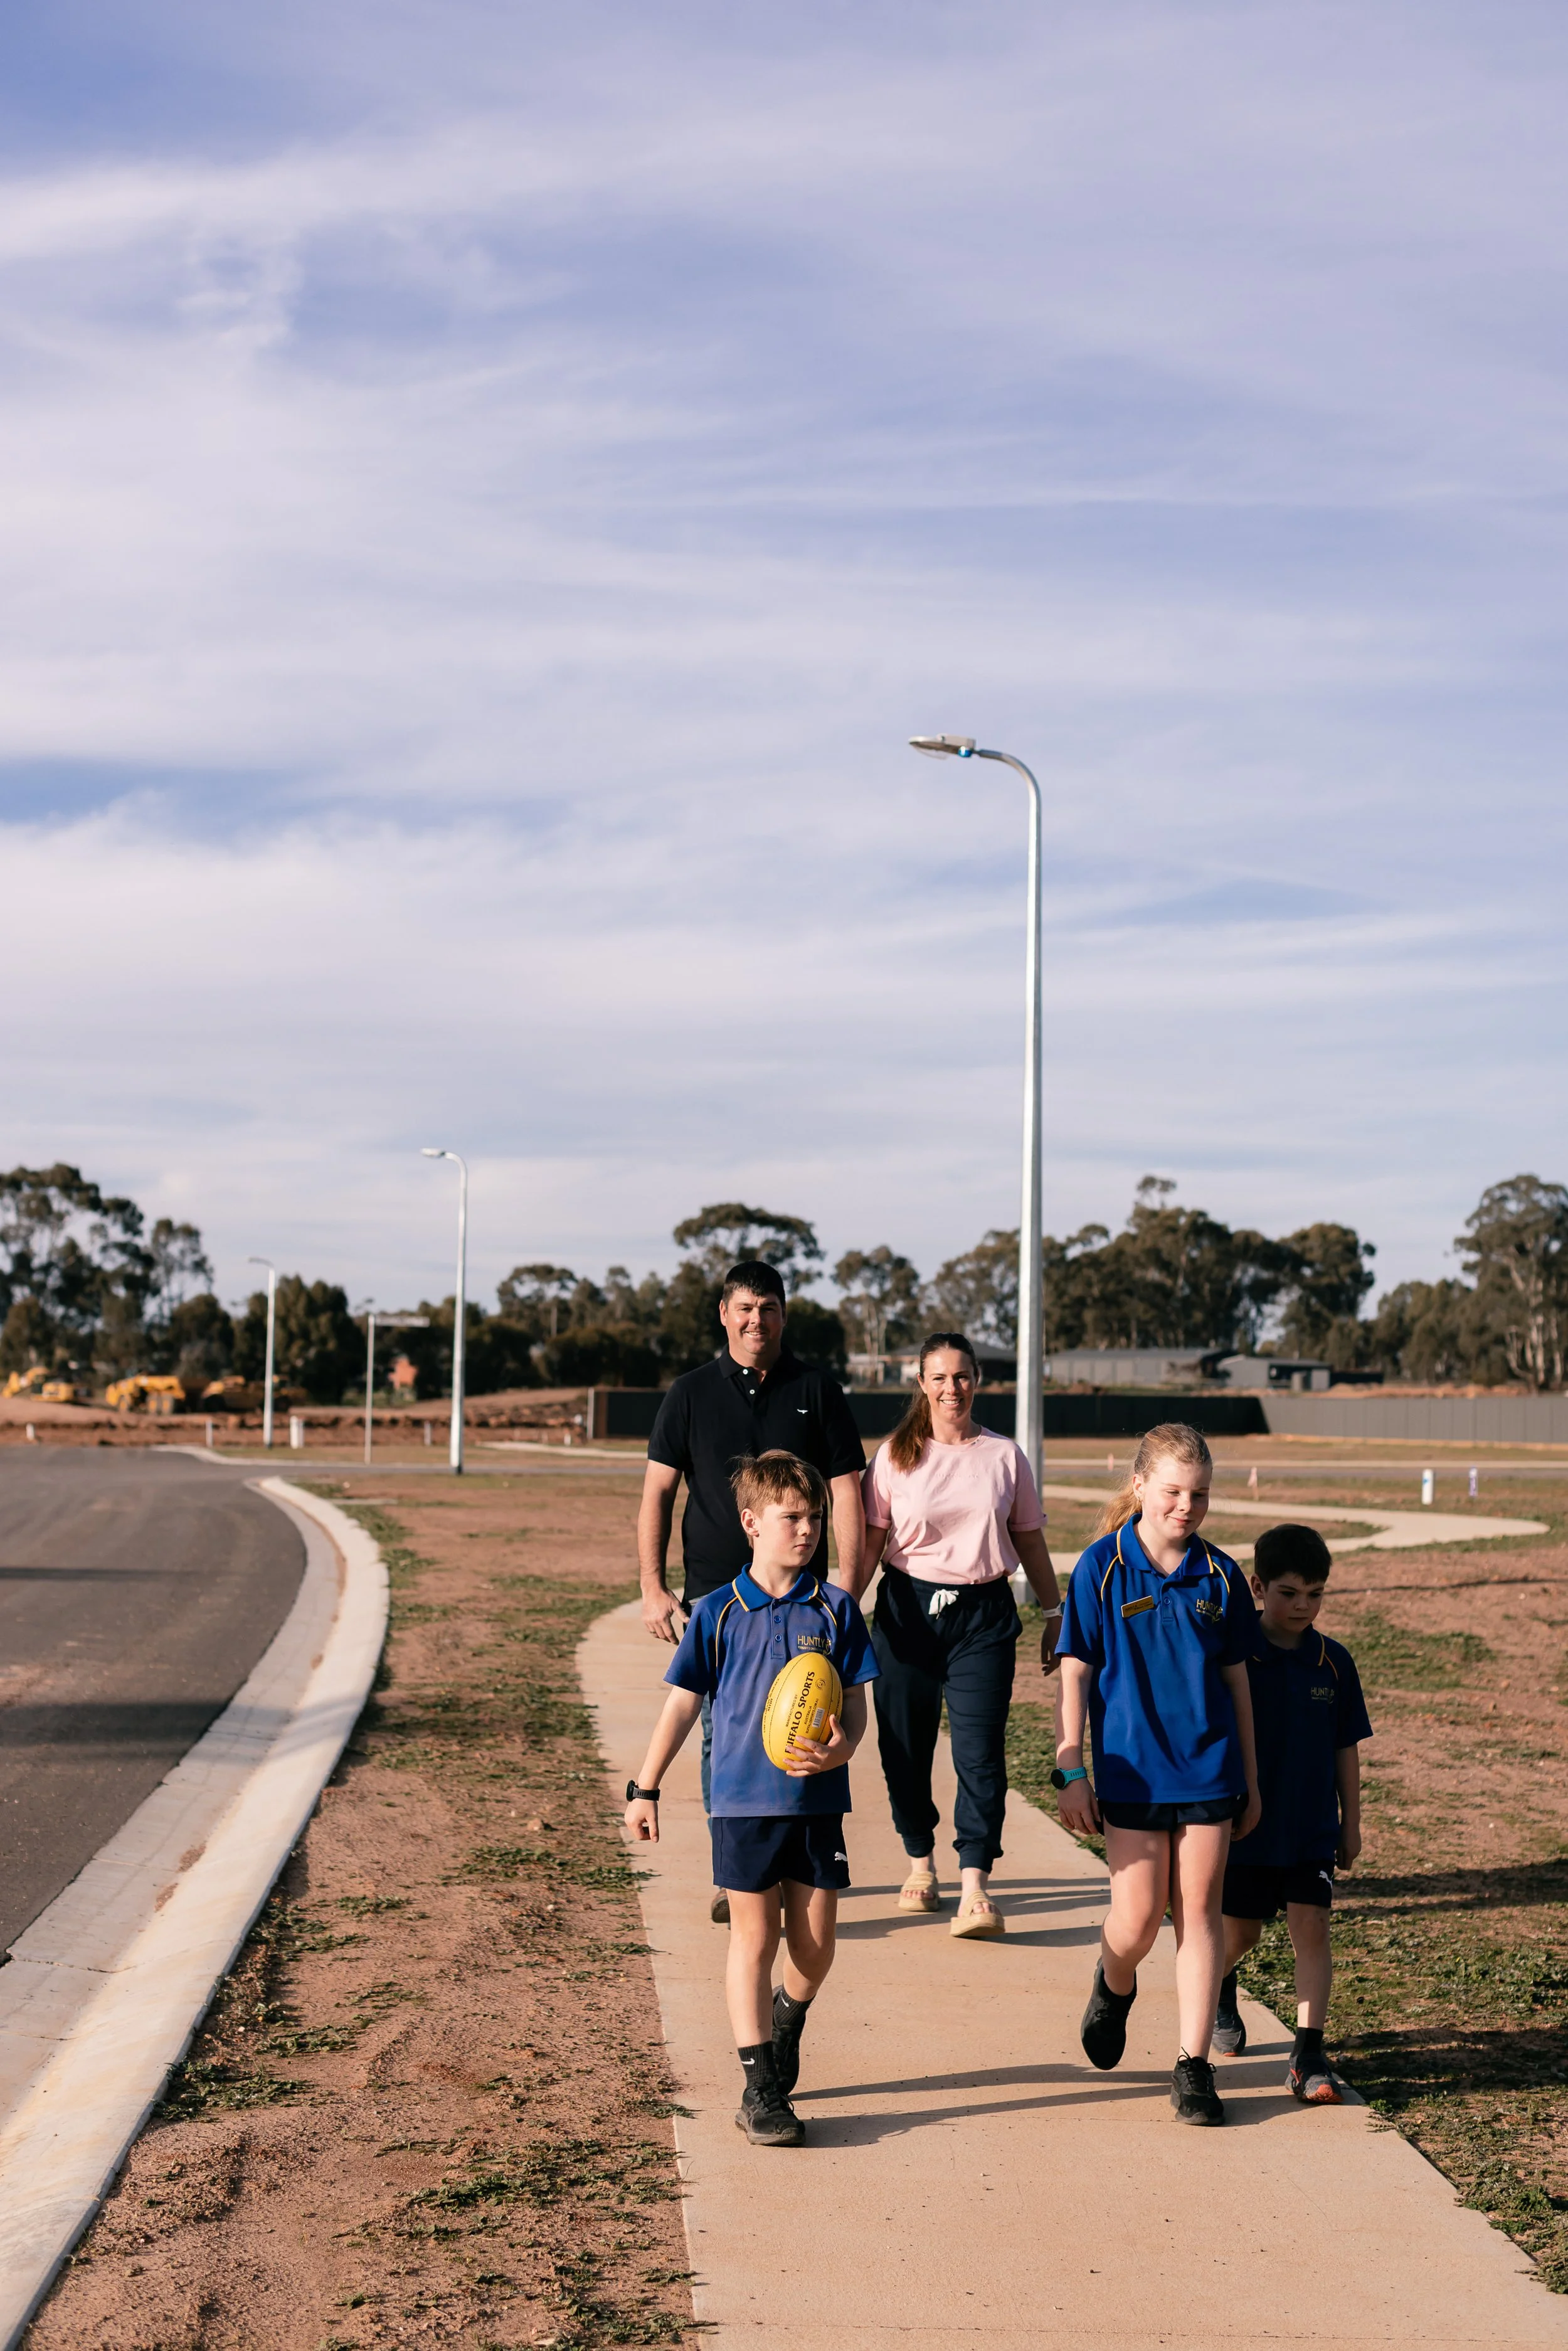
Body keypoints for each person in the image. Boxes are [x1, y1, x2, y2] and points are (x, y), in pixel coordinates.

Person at [625, 1450, 876, 2147]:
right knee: (754, 1935)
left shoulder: (836, 1609)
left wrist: (843, 1749)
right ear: (750, 1523)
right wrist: (645, 1786)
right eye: (791, 1517)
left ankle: (788, 2012)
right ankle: (759, 2084)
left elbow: (856, 1708)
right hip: (740, 1803)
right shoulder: (718, 1611)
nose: (807, 1529)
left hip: (818, 1801)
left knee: (816, 1946)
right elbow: (681, 1706)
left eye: (815, 1517)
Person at [638, 1261, 867, 1923]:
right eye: (743, 1307)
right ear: (723, 1313)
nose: (754, 1320)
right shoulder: (689, 1393)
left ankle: (799, 1850)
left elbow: (846, 1488)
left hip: (803, 1599)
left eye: (767, 1308)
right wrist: (654, 1587)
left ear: (783, 1315)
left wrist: (847, 1582)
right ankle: (733, 1868)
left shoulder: (816, 1389)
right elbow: (657, 1491)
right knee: (721, 1729)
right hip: (718, 1593)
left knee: (809, 1718)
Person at [1054, 1422, 1261, 2126]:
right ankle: (1113, 1985)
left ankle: (1193, 2067)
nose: (1186, 1506)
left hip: (1208, 1770)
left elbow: (1238, 1686)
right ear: (1140, 1484)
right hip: (1131, 1776)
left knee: (1198, 1913)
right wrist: (1069, 1765)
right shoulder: (1099, 1568)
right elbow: (1075, 1672)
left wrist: (1251, 1782)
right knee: (1138, 1919)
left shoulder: (1222, 1575)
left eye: (1199, 1494)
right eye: (1173, 1490)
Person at [854, 1332, 1061, 1936]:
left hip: (985, 1616)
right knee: (905, 1747)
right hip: (906, 1612)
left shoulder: (1004, 1456)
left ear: (978, 1381)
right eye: (940, 1377)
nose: (953, 1388)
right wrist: (844, 1610)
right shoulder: (893, 1456)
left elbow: (1028, 1538)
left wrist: (1054, 1613)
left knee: (980, 1753)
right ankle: (920, 1862)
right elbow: (870, 1543)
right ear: (921, 1383)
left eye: (963, 1376)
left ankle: (975, 1884)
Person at [1212, 1522, 1371, 2104]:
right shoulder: (1233, 1656)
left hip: (1310, 1830)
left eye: (1315, 1594)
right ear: (1257, 1587)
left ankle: (1308, 2053)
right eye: (1288, 1593)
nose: (1303, 1606)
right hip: (1246, 1829)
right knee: (1241, 1935)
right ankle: (1222, 1983)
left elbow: (1345, 1748)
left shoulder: (1335, 1664)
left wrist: (1350, 1824)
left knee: (1313, 1928)